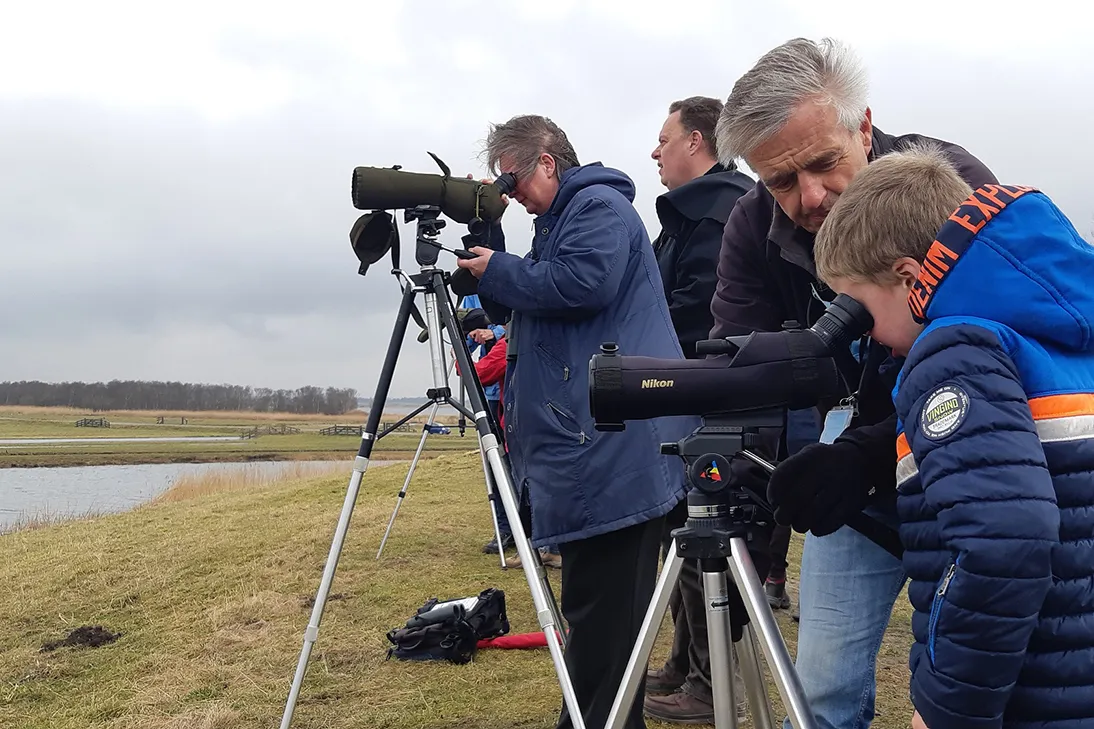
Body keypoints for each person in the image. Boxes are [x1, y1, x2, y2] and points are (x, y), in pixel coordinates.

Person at [710, 37, 997, 729]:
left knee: (981, 668)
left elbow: (997, 367)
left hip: (971, 437)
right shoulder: (751, 226)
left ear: (863, 126)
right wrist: (740, 472)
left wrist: (869, 453)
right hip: (846, 438)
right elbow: (740, 370)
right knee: (822, 685)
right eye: (780, 181)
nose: (809, 197)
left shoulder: (951, 187)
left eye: (823, 163)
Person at [812, 144, 1094, 729]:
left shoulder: (953, 350)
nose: (867, 338)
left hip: (1032, 696)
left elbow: (1004, 539)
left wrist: (948, 708)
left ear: (910, 277)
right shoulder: (1061, 333)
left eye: (861, 310)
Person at [456, 113, 696, 729]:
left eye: (511, 180)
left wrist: (500, 268)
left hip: (615, 447)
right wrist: (489, 236)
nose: (510, 192)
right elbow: (521, 300)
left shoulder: (598, 208)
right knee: (600, 620)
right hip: (598, 442)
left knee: (604, 620)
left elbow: (579, 285)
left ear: (547, 161)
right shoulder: (560, 221)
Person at [644, 94, 756, 725]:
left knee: (702, 532)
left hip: (705, 396)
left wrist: (641, 353)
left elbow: (697, 312)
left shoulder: (719, 212)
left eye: (664, 139)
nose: (655, 151)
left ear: (696, 142)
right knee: (682, 535)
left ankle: (710, 685)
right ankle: (686, 663)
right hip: (690, 391)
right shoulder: (694, 212)